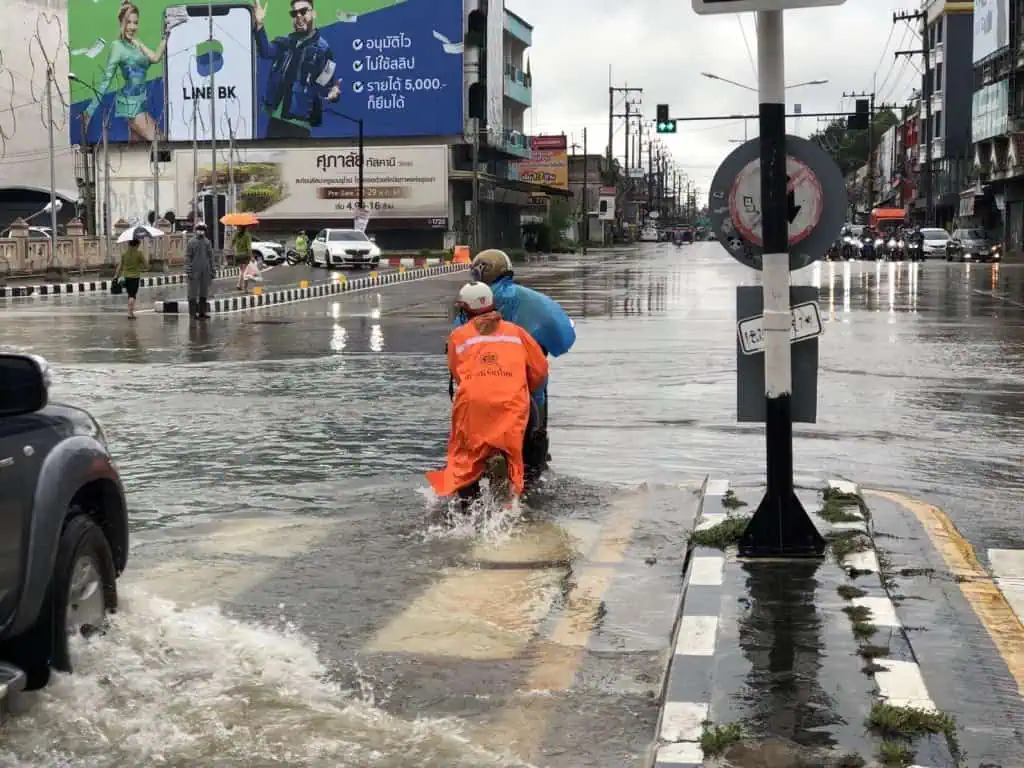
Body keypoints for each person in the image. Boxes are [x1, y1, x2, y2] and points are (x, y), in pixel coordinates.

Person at [458, 249, 576, 483]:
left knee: (462, 455)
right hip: (525, 394)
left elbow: (455, 358)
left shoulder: (469, 305)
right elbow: (562, 343)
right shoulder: (536, 304)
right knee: (535, 457)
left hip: (478, 394)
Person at [428, 282, 549, 504]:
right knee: (526, 448)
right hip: (514, 404)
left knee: (464, 459)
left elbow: (458, 374)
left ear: (465, 309)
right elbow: (540, 370)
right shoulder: (517, 333)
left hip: (473, 405)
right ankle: (520, 492)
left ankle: (466, 505)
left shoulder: (458, 336)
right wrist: (521, 387)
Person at [253, 0, 342, 140]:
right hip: (276, 121)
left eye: (303, 11)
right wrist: (259, 24)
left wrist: (333, 93)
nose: (299, 16)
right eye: (294, 13)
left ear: (313, 13)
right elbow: (266, 51)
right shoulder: (284, 43)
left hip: (300, 125)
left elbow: (326, 85)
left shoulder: (324, 51)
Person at [83, 2, 166, 143]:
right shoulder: (117, 47)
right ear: (121, 22)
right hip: (131, 105)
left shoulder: (137, 44)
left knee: (140, 154)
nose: (132, 27)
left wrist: (166, 35)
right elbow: (106, 81)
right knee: (161, 141)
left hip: (141, 102)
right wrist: (89, 112)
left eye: (135, 23)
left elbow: (155, 58)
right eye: (128, 22)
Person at [185, 223, 215, 319]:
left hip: (205, 271)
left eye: (202, 229)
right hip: (194, 270)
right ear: (196, 230)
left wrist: (212, 270)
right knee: (193, 292)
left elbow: (211, 257)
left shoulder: (207, 242)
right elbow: (188, 257)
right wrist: (188, 270)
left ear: (205, 231)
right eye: (199, 229)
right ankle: (193, 313)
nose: (201, 231)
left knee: (204, 291)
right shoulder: (191, 242)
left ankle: (202, 312)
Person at [114, 238, 146, 318]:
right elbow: (146, 265)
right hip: (134, 277)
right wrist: (141, 267)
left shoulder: (124, 254)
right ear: (137, 245)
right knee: (132, 295)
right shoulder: (139, 253)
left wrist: (116, 276)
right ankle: (129, 313)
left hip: (125, 277)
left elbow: (120, 266)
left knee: (129, 294)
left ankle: (131, 313)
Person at [233, 225, 255, 291]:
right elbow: (249, 247)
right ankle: (244, 287)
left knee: (242, 270)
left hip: (238, 255)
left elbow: (232, 243)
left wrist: (236, 248)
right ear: (245, 227)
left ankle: (239, 285)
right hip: (245, 255)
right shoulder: (247, 235)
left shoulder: (236, 234)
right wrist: (252, 257)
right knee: (245, 271)